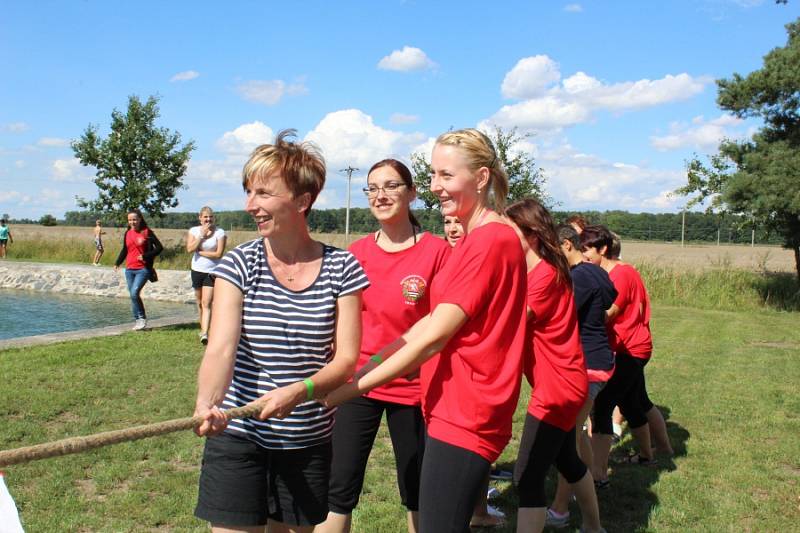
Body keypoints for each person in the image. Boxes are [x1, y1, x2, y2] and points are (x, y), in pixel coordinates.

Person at [326, 128, 528, 533]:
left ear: (482, 178)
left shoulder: (489, 241)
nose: (437, 186)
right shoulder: (473, 239)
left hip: (467, 413)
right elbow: (425, 324)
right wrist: (361, 373)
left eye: (446, 175)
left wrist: (350, 390)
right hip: (449, 406)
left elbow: (436, 334)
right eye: (434, 175)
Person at [193, 130, 369, 533]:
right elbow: (221, 348)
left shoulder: (343, 269)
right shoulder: (239, 264)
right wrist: (208, 403)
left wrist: (300, 391)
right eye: (248, 192)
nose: (249, 205)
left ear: (303, 201)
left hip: (306, 442)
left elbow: (345, 360)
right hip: (239, 434)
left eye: (262, 194)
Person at [318, 159, 451, 533]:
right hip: (357, 382)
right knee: (338, 487)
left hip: (414, 388)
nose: (381, 195)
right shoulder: (355, 253)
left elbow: (441, 325)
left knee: (418, 489)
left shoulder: (438, 252)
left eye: (392, 186)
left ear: (411, 193)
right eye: (373, 188)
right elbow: (340, 322)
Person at [505, 199, 605, 533]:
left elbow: (510, 324)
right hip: (562, 383)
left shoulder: (544, 276)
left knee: (527, 476)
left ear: (531, 234)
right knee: (568, 460)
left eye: (510, 232)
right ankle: (594, 527)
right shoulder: (536, 271)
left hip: (557, 389)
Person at [581, 225, 673, 489]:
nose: (583, 254)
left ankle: (598, 474)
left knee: (603, 405)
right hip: (625, 347)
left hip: (629, 350)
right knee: (636, 402)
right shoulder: (609, 272)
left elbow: (610, 313)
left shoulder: (621, 274)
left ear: (603, 249)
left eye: (586, 249)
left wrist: (576, 312)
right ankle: (651, 455)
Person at [544, 224, 617, 528]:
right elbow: (611, 299)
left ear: (566, 245)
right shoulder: (597, 271)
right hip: (600, 359)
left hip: (587, 364)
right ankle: (593, 479)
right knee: (576, 432)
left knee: (567, 438)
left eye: (552, 250)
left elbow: (562, 315)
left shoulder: (579, 278)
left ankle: (561, 509)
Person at [441, 213, 505, 529]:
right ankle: (478, 510)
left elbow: (438, 330)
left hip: (469, 392)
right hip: (442, 385)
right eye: (446, 223)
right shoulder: (446, 258)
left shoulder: (485, 251)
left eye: (458, 222)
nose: (452, 228)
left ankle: (478, 509)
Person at [113, 209, 163, 330]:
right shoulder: (128, 233)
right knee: (133, 295)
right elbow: (125, 249)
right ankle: (137, 320)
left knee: (134, 293)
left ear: (140, 219)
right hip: (129, 269)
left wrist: (145, 256)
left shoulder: (147, 232)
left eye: (135, 219)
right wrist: (117, 262)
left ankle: (141, 318)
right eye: (130, 220)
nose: (132, 222)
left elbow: (159, 248)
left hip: (143, 269)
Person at [186, 206, 227, 345]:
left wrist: (201, 252)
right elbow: (190, 249)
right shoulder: (194, 231)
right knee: (199, 302)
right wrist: (201, 236)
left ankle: (205, 333)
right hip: (197, 270)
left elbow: (218, 254)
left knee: (207, 302)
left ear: (213, 218)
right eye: (205, 217)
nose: (208, 219)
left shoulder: (220, 233)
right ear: (200, 218)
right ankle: (203, 328)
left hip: (213, 271)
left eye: (210, 217)